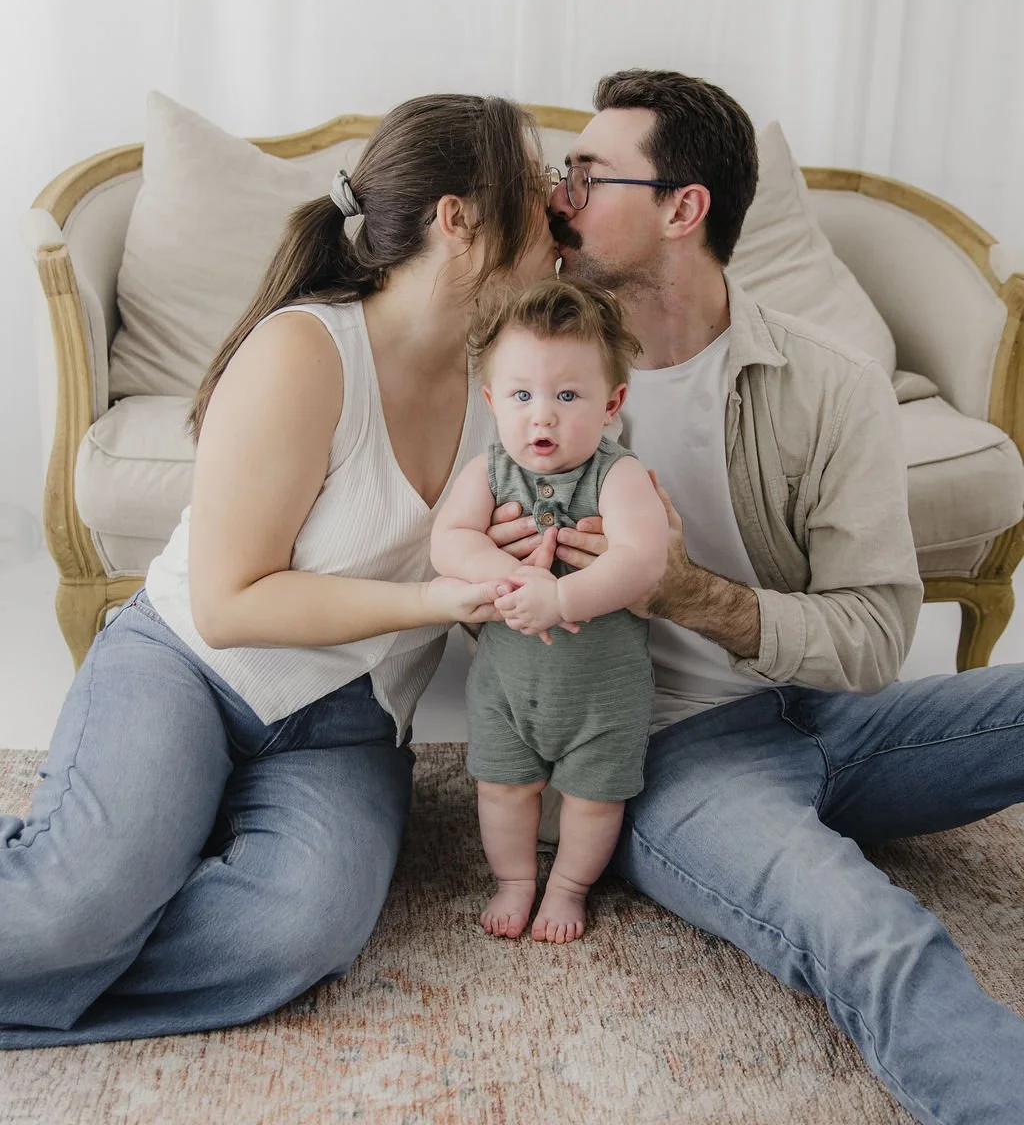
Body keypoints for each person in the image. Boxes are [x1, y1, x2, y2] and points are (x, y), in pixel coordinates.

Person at [488, 69, 1024, 1125]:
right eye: (566, 173)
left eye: (591, 176)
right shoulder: (534, 374)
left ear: (684, 208)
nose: (562, 196)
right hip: (676, 753)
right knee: (871, 930)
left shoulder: (825, 383)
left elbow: (873, 640)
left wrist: (692, 593)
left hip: (828, 712)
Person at [0, 91, 557, 1049]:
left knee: (295, 932)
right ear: (458, 219)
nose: (558, 200)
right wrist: (432, 596)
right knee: (73, 908)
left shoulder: (510, 383)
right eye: (538, 180)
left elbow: (486, 573)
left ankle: (94, 924)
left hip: (348, 723)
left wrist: (538, 581)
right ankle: (82, 910)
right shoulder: (306, 350)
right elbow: (225, 604)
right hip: (188, 667)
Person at [431, 279, 667, 943]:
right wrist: (508, 575)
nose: (543, 417)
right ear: (491, 401)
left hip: (603, 696)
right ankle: (514, 880)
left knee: (596, 799)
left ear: (612, 403)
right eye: (522, 395)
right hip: (508, 689)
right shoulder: (489, 470)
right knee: (503, 790)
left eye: (568, 396)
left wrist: (560, 597)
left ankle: (567, 888)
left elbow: (642, 559)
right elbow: (448, 540)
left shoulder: (617, 476)